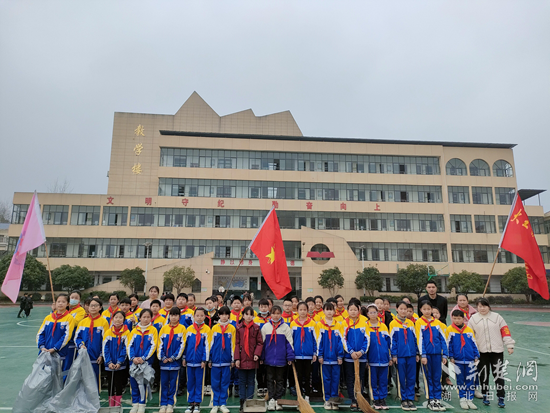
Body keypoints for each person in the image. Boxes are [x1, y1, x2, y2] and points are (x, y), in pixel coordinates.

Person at [469, 298, 515, 408]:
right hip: (481, 352)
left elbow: (505, 331)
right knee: (483, 375)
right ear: (477, 307)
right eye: (480, 306)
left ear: (488, 306)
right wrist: (473, 350)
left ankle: (501, 397)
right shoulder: (473, 319)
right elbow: (470, 335)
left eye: (484, 306)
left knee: (498, 375)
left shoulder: (497, 317)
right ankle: (485, 396)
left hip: (497, 351)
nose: (482, 308)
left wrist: (509, 345)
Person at [416, 300, 448, 411]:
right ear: (420, 310)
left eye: (429, 309)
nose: (427, 311)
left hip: (437, 355)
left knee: (437, 377)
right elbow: (420, 340)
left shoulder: (437, 323)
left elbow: (443, 339)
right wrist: (423, 355)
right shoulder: (419, 322)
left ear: (432, 310)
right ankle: (431, 400)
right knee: (428, 377)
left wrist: (445, 354)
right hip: (427, 355)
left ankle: (437, 399)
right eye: (424, 309)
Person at [261, 305, 295, 411]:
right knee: (270, 379)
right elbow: (262, 344)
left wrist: (290, 357)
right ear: (270, 314)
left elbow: (289, 343)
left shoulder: (285, 327)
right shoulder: (266, 327)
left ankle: (278, 400)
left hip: (281, 359)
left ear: (281, 314)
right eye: (274, 313)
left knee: (280, 380)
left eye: (278, 313)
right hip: (269, 359)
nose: (276, 316)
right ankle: (271, 399)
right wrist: (262, 357)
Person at [37, 294, 76, 378]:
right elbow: (40, 333)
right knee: (43, 375)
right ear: (55, 303)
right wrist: (42, 346)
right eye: (58, 301)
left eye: (63, 302)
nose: (60, 303)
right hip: (45, 351)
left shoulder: (69, 318)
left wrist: (55, 348)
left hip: (59, 353)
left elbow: (67, 336)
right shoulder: (48, 317)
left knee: (57, 375)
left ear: (68, 304)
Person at [447, 310, 479, 410]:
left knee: (470, 380)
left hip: (470, 360)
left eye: (459, 318)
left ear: (463, 318)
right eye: (454, 318)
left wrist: (476, 355)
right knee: (460, 380)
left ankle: (469, 399)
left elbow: (474, 344)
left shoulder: (469, 330)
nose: (457, 320)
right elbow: (449, 345)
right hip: (458, 360)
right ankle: (462, 398)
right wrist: (451, 356)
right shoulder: (450, 330)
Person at [390, 301, 419, 411]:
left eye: (405, 309)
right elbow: (392, 341)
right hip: (400, 356)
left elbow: (415, 339)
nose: (403, 311)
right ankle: (403, 398)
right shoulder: (393, 323)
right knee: (401, 377)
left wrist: (417, 353)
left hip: (411, 355)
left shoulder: (410, 323)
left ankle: (410, 398)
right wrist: (394, 355)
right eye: (401, 309)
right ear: (396, 309)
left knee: (411, 377)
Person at [75, 297, 110, 390]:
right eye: (91, 306)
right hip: (83, 355)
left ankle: (95, 396)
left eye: (95, 306)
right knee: (82, 378)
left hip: (96, 356)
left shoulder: (103, 322)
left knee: (95, 378)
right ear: (88, 307)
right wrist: (80, 345)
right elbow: (77, 337)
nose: (93, 307)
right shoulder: (83, 322)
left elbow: (105, 340)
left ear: (100, 307)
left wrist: (101, 355)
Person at [127, 309, 158, 413]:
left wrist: (144, 358)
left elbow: (153, 346)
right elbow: (129, 345)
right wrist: (133, 358)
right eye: (144, 317)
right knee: (134, 383)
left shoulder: (153, 330)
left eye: (148, 317)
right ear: (139, 318)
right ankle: (135, 404)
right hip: (134, 362)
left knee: (144, 383)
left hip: (146, 362)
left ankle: (142, 404)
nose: (146, 319)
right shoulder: (134, 330)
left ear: (151, 318)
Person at [317, 302, 345, 410]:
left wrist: (340, 356)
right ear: (323, 311)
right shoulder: (320, 325)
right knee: (326, 379)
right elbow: (319, 342)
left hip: (336, 359)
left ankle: (334, 400)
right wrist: (320, 355)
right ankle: (327, 400)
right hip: (324, 359)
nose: (329, 312)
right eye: (327, 309)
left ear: (334, 311)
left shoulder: (338, 325)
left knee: (336, 380)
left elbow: (341, 342)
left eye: (331, 309)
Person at [236, 306, 264, 412]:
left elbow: (260, 343)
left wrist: (257, 354)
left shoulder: (256, 328)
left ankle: (249, 401)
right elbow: (237, 344)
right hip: (242, 359)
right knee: (242, 381)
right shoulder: (239, 328)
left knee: (251, 381)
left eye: (251, 314)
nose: (248, 316)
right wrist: (237, 358)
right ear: (243, 315)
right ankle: (242, 401)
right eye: (246, 314)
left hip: (252, 359)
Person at [158, 307, 186, 413]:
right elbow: (159, 344)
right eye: (172, 315)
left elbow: (182, 345)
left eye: (176, 315)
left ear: (179, 317)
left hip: (175, 362)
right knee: (164, 383)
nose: (173, 317)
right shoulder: (164, 328)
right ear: (169, 316)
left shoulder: (182, 328)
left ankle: (170, 404)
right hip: (164, 362)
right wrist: (163, 357)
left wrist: (174, 357)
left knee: (174, 383)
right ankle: (163, 404)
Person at [183, 308, 211, 413]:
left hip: (200, 362)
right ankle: (191, 403)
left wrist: (204, 360)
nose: (199, 318)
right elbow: (185, 345)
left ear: (205, 317)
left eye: (201, 315)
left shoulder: (207, 330)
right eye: (197, 316)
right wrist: (184, 357)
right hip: (190, 361)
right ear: (194, 316)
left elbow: (207, 347)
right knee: (190, 382)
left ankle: (197, 403)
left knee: (199, 383)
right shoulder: (189, 329)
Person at [343, 301, 369, 411]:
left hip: (361, 357)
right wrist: (351, 351)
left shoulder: (364, 323)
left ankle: (359, 399)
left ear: (359, 311)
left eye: (355, 310)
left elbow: (367, 338)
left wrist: (362, 352)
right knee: (350, 378)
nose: (353, 312)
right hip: (349, 357)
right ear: (348, 311)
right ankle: (353, 399)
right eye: (351, 310)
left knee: (360, 378)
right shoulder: (344, 323)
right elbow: (343, 339)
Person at [209, 306, 236, 413]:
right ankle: (215, 404)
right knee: (215, 383)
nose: (224, 316)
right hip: (215, 361)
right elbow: (211, 344)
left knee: (225, 383)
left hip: (226, 361)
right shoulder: (214, 328)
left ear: (229, 315)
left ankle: (223, 403)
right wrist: (210, 359)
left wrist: (233, 359)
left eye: (226, 314)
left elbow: (233, 345)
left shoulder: (232, 328)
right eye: (222, 314)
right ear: (219, 315)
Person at [365, 304, 391, 410]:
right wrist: (366, 359)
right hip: (372, 359)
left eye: (374, 312)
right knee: (373, 380)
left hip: (384, 359)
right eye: (370, 312)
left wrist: (389, 356)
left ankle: (382, 398)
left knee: (383, 380)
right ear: (367, 314)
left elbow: (388, 343)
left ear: (378, 313)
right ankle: (375, 398)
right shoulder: (365, 326)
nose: (373, 314)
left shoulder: (383, 326)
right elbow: (365, 344)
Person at [290, 301, 317, 401]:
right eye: (300, 310)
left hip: (308, 355)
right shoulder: (293, 323)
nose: (302, 311)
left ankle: (307, 395)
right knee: (299, 376)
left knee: (308, 375)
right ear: (297, 311)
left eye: (304, 310)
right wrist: (291, 353)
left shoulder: (312, 323)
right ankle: (300, 394)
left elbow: (315, 339)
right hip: (297, 354)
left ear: (307, 310)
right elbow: (290, 340)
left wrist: (314, 353)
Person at [103, 310, 130, 407]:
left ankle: (117, 404)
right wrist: (109, 362)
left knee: (119, 383)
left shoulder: (126, 332)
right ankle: (111, 404)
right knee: (110, 384)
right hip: (109, 364)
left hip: (120, 365)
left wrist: (119, 362)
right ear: (112, 319)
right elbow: (105, 348)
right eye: (116, 317)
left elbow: (125, 348)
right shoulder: (108, 332)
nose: (118, 319)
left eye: (120, 317)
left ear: (124, 319)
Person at [254, 298, 271, 397]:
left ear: (268, 307)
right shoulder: (255, 319)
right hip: (259, 346)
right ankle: (260, 386)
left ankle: (267, 386)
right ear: (259, 307)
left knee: (268, 368)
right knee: (259, 368)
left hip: (269, 347)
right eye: (262, 307)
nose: (264, 308)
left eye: (265, 306)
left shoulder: (271, 319)